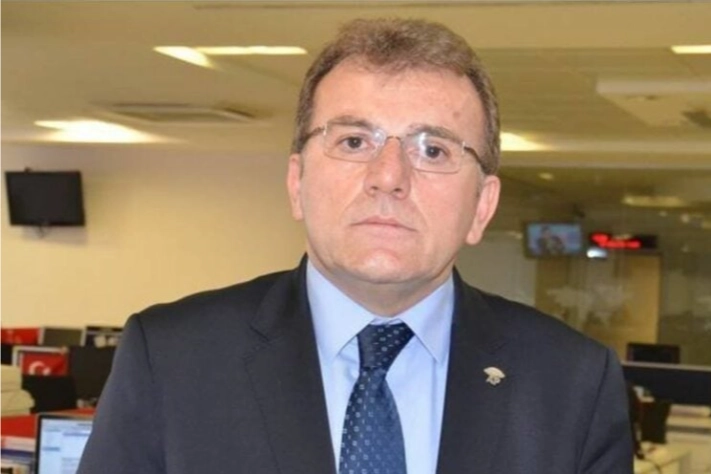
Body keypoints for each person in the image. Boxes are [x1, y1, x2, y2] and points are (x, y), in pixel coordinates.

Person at [78, 18, 633, 474]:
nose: (388, 176)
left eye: (433, 150)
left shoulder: (572, 382)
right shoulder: (171, 358)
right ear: (297, 182)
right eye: (352, 141)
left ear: (482, 206)